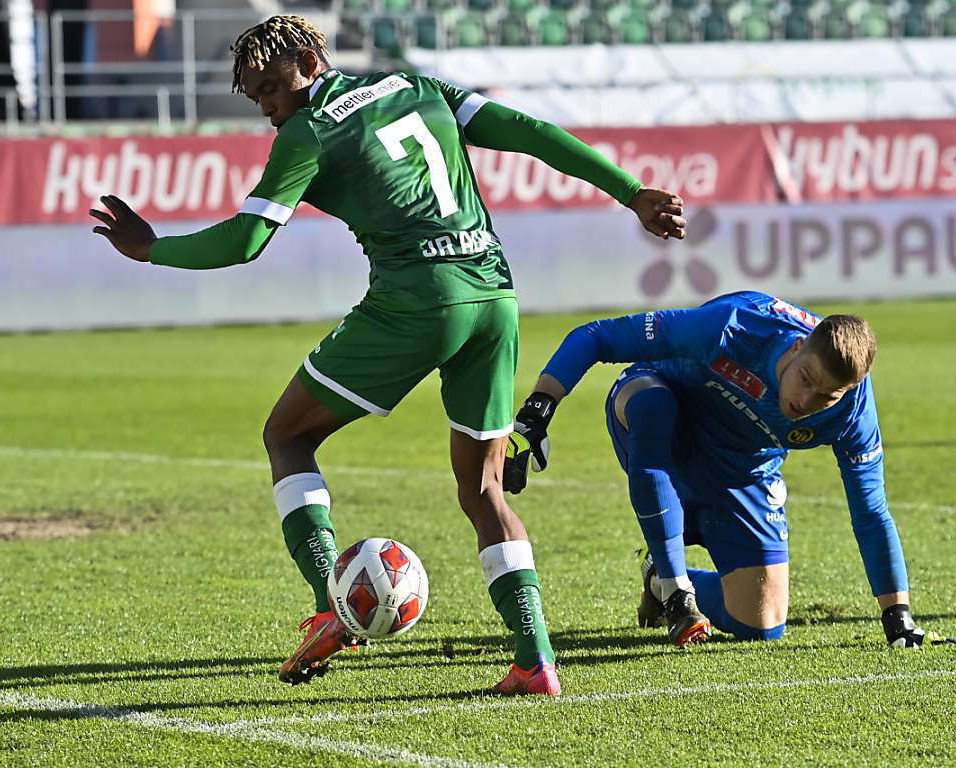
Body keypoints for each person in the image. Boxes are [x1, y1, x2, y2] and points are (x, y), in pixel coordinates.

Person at [88, 15, 687, 695]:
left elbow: (245, 240)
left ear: (310, 61)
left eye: (273, 88)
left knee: (287, 434)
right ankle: (535, 660)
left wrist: (151, 249)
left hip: (415, 302)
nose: (269, 108)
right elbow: (528, 133)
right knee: (483, 487)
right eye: (256, 99)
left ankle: (329, 602)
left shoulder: (307, 133)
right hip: (493, 296)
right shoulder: (417, 84)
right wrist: (628, 192)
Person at [505, 290, 932, 650]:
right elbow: (597, 336)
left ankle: (658, 577)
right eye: (806, 378)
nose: (807, 401)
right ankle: (677, 592)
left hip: (743, 467)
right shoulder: (734, 326)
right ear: (798, 346)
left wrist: (899, 619)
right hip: (664, 407)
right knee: (653, 406)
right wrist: (537, 412)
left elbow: (871, 510)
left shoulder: (854, 413)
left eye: (827, 396)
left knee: (761, 624)